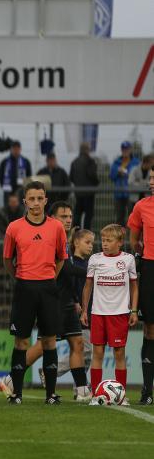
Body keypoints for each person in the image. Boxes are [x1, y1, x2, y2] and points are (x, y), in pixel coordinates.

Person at [0, 202, 92, 402]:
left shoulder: (65, 240)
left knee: (77, 342)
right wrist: (92, 272)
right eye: (63, 216)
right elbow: (64, 269)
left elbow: (66, 275)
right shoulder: (49, 236)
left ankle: (81, 389)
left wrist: (75, 299)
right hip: (49, 299)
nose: (68, 220)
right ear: (53, 218)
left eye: (70, 216)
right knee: (43, 345)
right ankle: (11, 380)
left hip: (66, 302)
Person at [2, 181, 68, 405]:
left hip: (48, 288)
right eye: (32, 198)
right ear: (25, 201)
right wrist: (21, 277)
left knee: (49, 341)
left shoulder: (57, 227)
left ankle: (50, 394)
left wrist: (49, 277)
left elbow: (61, 258)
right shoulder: (14, 228)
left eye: (40, 198)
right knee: (21, 342)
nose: (36, 203)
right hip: (24, 288)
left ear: (46, 200)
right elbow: (7, 259)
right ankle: (16, 394)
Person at [81, 224, 138, 400]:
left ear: (120, 242)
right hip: (98, 313)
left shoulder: (128, 259)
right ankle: (95, 393)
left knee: (119, 354)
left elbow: (134, 287)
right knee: (97, 353)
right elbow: (88, 286)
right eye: (103, 240)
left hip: (120, 313)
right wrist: (85, 310)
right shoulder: (95, 259)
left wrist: (134, 310)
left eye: (109, 240)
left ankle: (122, 394)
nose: (104, 243)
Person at [128, 166, 154, 404]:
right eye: (151, 178)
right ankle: (147, 391)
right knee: (150, 329)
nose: (152, 182)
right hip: (149, 269)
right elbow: (134, 239)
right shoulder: (141, 206)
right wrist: (141, 252)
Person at [70, 142, 99, 230]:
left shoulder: (74, 162)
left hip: (78, 193)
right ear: (87, 150)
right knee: (88, 217)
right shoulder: (90, 161)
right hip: (89, 193)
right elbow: (92, 175)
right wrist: (97, 183)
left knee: (77, 215)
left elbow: (71, 177)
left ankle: (76, 235)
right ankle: (86, 236)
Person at [110, 141, 140, 225]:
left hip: (131, 194)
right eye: (123, 149)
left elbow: (139, 176)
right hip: (119, 194)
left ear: (130, 150)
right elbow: (111, 176)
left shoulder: (136, 162)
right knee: (119, 219)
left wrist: (128, 174)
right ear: (121, 150)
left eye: (127, 149)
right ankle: (120, 238)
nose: (125, 151)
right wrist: (117, 172)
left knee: (133, 217)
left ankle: (132, 237)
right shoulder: (116, 162)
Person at [0, 140, 31, 207]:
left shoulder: (25, 162)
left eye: (17, 148)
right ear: (11, 149)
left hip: (21, 190)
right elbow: (0, 175)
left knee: (21, 210)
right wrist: (3, 185)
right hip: (8, 190)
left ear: (20, 149)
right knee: (7, 209)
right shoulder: (5, 162)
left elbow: (29, 176)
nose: (16, 150)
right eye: (14, 148)